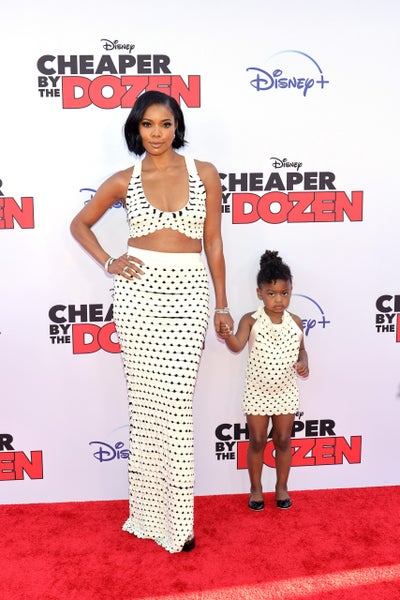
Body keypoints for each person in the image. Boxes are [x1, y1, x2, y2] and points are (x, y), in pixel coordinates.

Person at [70, 91, 233, 553]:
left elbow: (213, 243)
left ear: (177, 126)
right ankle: (147, 515)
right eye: (147, 124)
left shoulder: (205, 173)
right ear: (136, 129)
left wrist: (222, 304)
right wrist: (109, 261)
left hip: (188, 294)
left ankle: (179, 522)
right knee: (145, 408)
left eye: (165, 124)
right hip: (138, 296)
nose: (156, 133)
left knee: (176, 406)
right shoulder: (124, 180)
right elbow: (79, 225)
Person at [220, 250, 308, 510]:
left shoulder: (296, 322)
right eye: (271, 293)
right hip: (257, 391)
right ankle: (255, 489)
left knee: (283, 440)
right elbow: (237, 345)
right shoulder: (251, 320)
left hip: (286, 391)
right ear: (260, 293)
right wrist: (227, 335)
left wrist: (304, 363)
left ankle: (281, 487)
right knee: (258, 440)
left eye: (284, 293)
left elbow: (302, 350)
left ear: (291, 291)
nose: (278, 299)